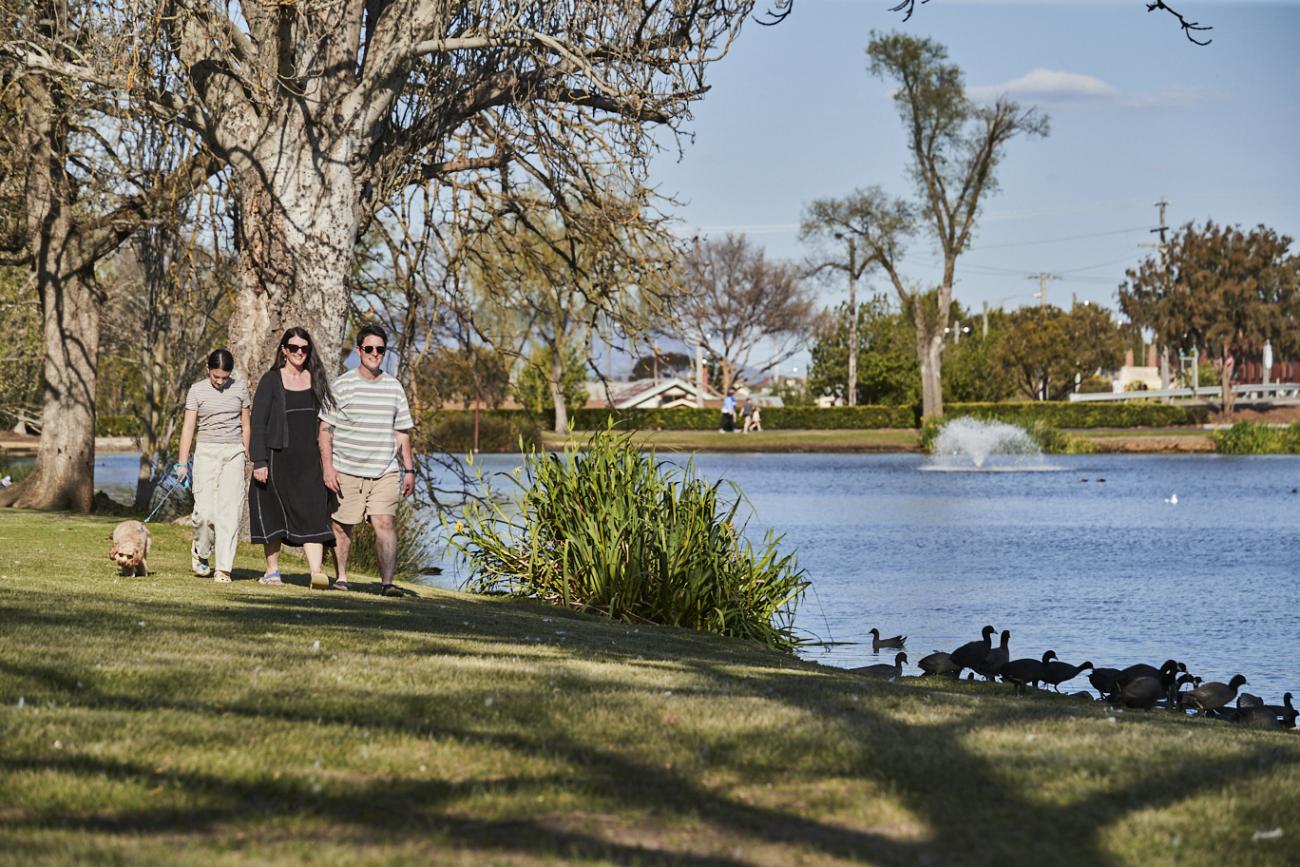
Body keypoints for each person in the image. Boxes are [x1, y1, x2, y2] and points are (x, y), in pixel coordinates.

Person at [319, 324, 415, 597]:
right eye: (369, 349)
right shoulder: (342, 385)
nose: (375, 354)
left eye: (380, 349)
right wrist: (328, 467)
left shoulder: (394, 387)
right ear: (359, 351)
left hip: (385, 470)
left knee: (384, 522)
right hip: (346, 468)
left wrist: (409, 469)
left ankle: (387, 583)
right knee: (341, 524)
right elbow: (325, 430)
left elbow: (402, 431)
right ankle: (342, 577)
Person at [248, 327, 336, 589]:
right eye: (294, 348)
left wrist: (329, 462)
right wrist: (260, 461)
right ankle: (273, 571)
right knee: (273, 514)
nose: (299, 352)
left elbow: (327, 424)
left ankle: (316, 573)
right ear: (284, 350)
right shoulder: (271, 380)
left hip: (309, 462)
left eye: (304, 348)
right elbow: (258, 422)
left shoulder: (317, 379)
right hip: (277, 460)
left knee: (313, 514)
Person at [176, 349, 250, 583]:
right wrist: (182, 463)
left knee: (230, 513)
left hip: (234, 453)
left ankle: (223, 568)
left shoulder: (239, 388)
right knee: (204, 513)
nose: (220, 382)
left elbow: (246, 425)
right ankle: (201, 552)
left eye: (224, 377)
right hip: (206, 452)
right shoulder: (197, 390)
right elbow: (188, 428)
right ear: (208, 370)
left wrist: (248, 456)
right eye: (216, 376)